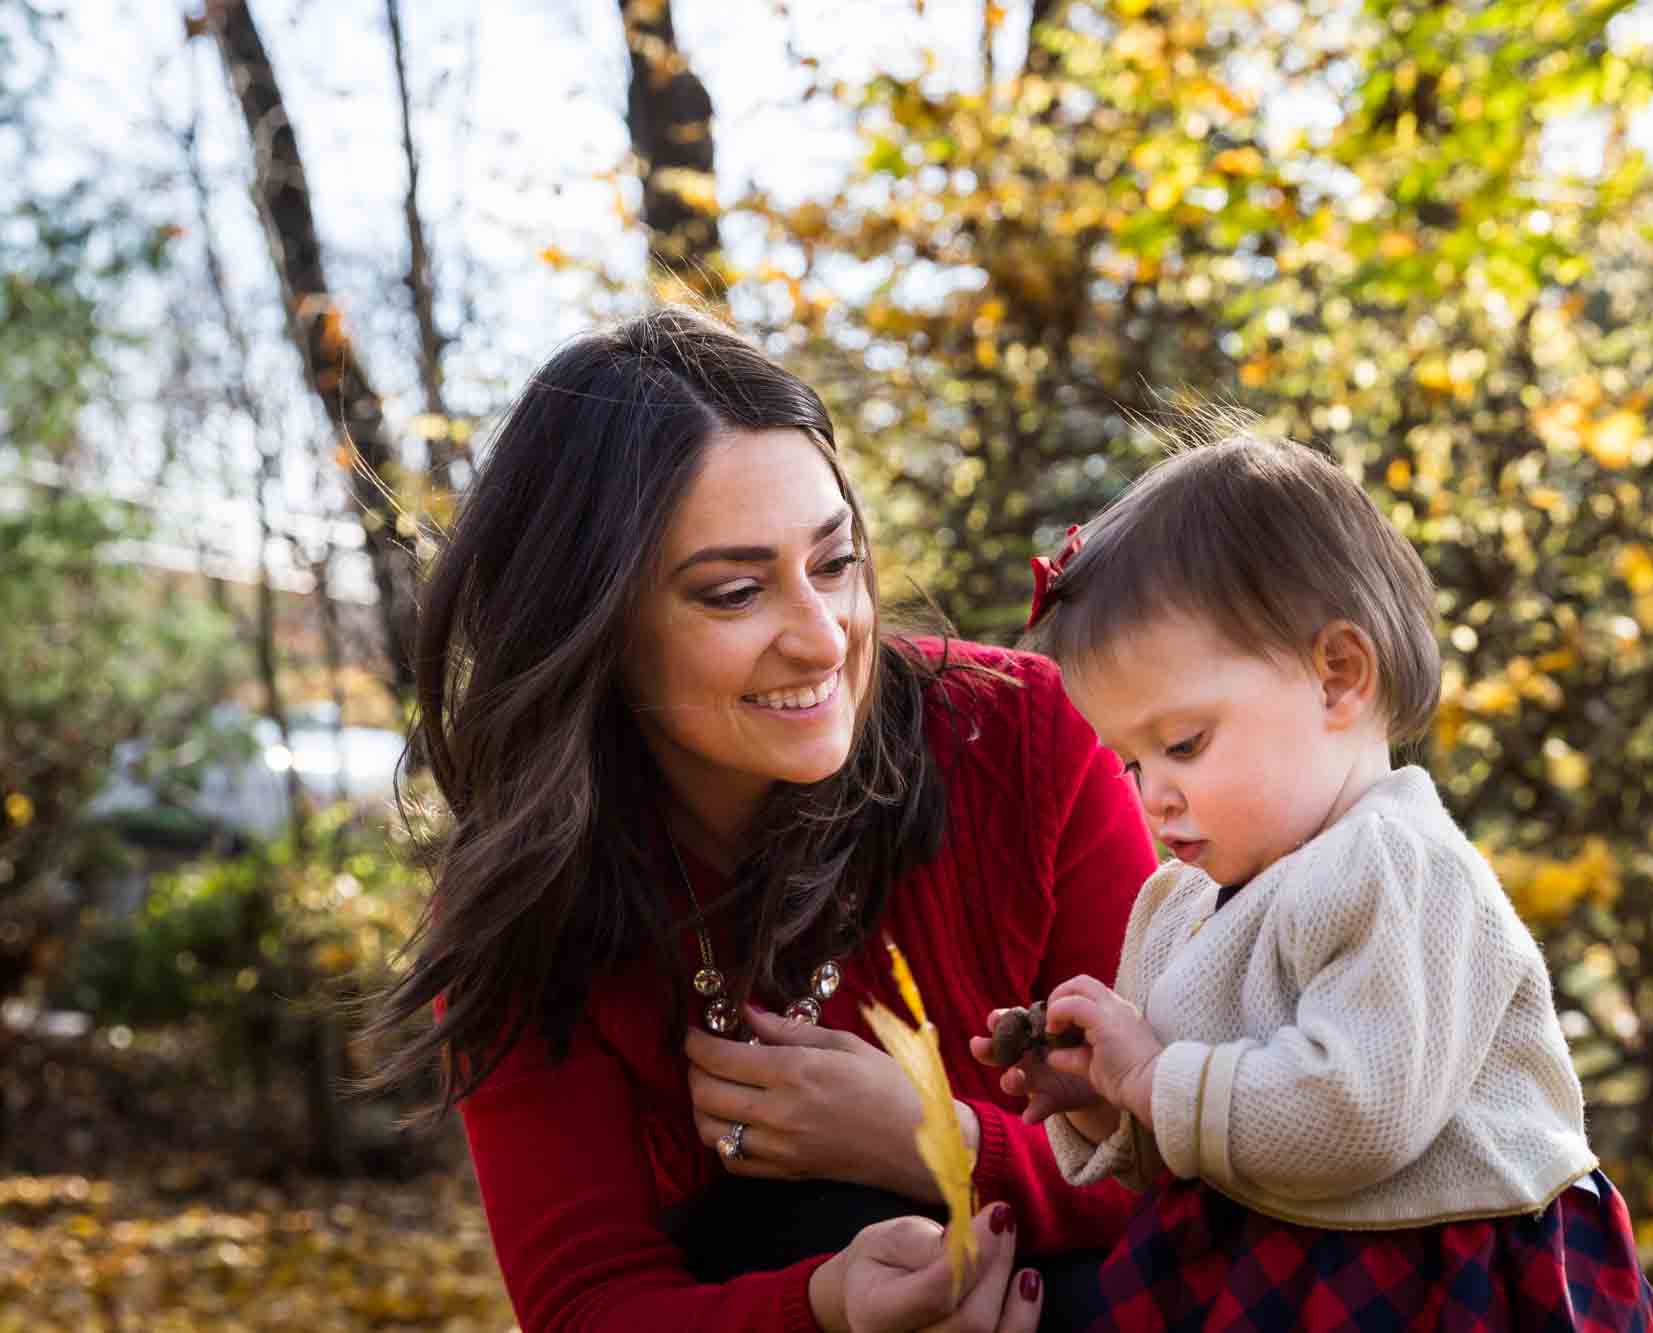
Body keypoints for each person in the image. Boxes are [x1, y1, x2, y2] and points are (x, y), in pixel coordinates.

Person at [363, 306, 1160, 1331]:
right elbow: (586, 1302)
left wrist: (942, 1141)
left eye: (834, 564)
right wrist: (830, 1305)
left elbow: (1201, 1161)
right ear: (595, 627)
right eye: (735, 592)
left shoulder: (1022, 739)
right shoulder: (529, 906)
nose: (823, 636)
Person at [976, 429, 1653, 1330]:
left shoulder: (1394, 864)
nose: (1155, 794)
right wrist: (1114, 1105)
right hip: (1269, 1261)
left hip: (1430, 1276)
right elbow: (1230, 1130)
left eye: (1183, 743)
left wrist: (1153, 1075)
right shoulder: (1185, 901)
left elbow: (1354, 1114)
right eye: (1132, 762)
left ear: (1338, 676)